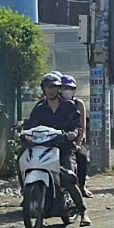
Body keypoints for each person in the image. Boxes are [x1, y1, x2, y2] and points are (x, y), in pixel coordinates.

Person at [24, 71, 90, 218]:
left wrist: (73, 133)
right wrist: (24, 132)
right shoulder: (40, 107)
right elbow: (31, 124)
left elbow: (76, 125)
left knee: (68, 177)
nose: (50, 90)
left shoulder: (69, 106)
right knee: (24, 161)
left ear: (59, 88)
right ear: (43, 89)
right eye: (47, 87)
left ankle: (82, 212)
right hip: (44, 148)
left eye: (53, 87)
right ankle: (28, 196)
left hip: (64, 148)